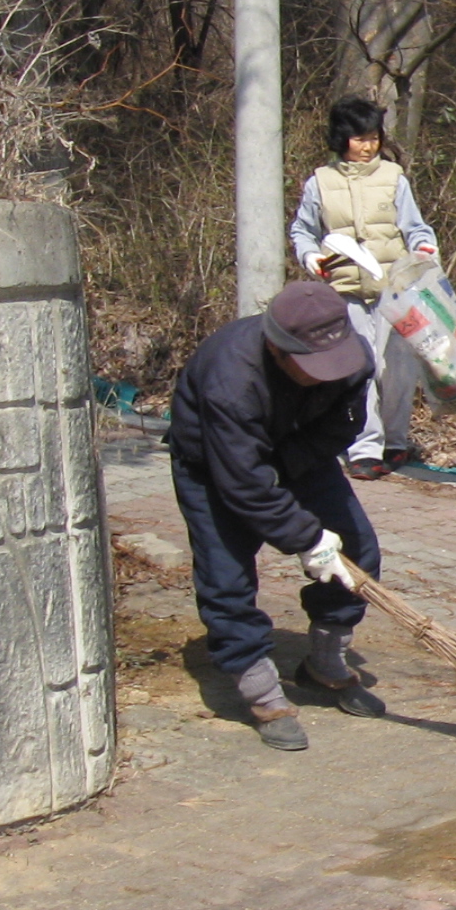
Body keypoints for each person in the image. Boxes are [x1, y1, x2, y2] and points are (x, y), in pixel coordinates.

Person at [168, 280, 388, 750]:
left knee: (358, 552)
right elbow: (242, 482)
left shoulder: (354, 360)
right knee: (225, 577)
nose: (325, 376)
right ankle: (263, 694)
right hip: (212, 463)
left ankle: (324, 665)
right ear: (277, 348)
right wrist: (305, 537)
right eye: (312, 368)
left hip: (296, 451)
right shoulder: (230, 379)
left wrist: (292, 476)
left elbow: (339, 429)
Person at [290, 97, 439, 480]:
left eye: (373, 138)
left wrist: (424, 248)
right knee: (361, 368)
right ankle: (364, 447)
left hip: (395, 288)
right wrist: (310, 257)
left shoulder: (394, 178)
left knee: (398, 370)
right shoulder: (319, 183)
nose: (368, 146)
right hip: (346, 289)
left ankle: (396, 441)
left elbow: (416, 228)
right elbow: (303, 231)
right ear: (342, 139)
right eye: (360, 139)